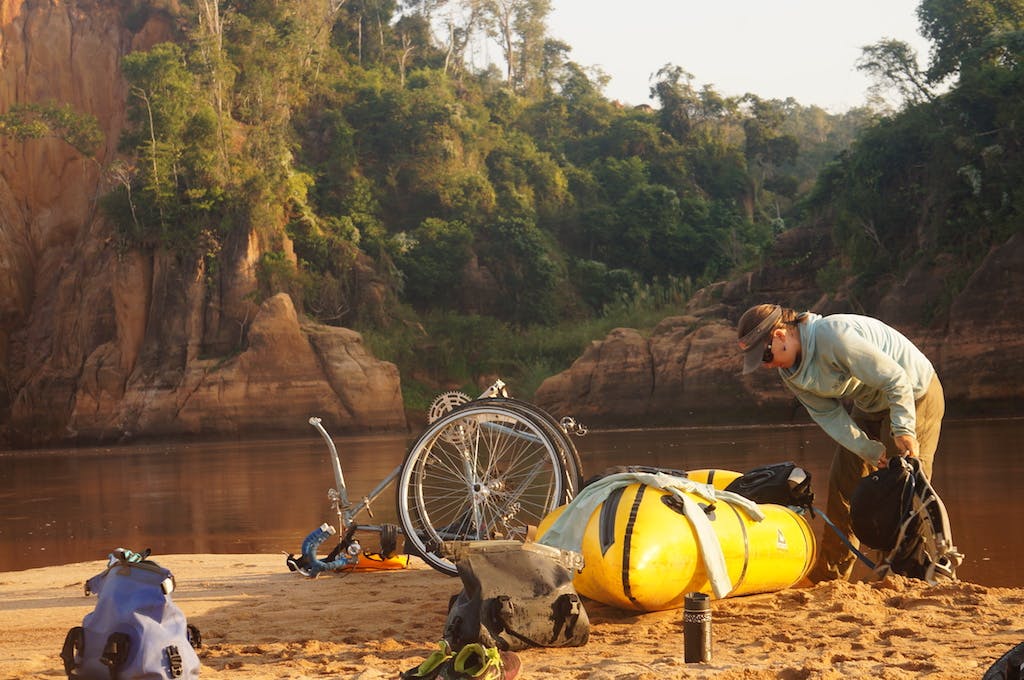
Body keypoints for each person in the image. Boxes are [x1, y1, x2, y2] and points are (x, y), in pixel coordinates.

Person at [735, 303, 945, 582]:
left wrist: (903, 429)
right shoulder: (790, 374)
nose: (767, 364)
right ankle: (830, 576)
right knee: (843, 484)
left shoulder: (834, 336)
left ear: (780, 334)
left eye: (765, 354)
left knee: (901, 487)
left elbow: (896, 380)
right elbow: (829, 415)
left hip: (915, 394)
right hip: (870, 403)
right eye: (761, 362)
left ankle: (903, 575)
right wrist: (868, 450)